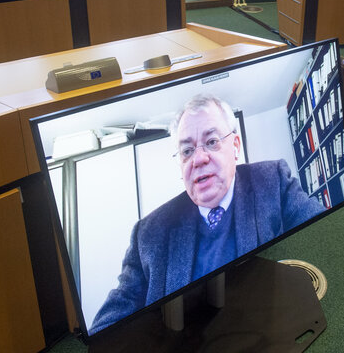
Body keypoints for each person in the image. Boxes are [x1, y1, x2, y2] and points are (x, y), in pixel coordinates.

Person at [89, 94, 325, 334]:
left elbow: (322, 233)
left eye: (211, 141)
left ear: (235, 147)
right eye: (187, 150)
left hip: (270, 327)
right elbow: (105, 331)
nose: (199, 159)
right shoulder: (149, 234)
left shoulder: (272, 180)